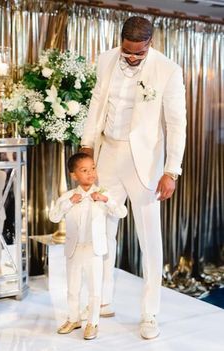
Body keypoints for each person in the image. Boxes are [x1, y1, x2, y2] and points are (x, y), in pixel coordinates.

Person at [80, 16, 186, 339]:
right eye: (127, 51)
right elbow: (97, 103)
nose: (131, 58)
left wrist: (171, 170)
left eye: (138, 54)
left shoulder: (168, 70)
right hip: (108, 152)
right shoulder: (105, 59)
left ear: (150, 44)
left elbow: (176, 123)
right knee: (102, 229)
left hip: (145, 163)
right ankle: (103, 300)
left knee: (149, 240)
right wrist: (86, 148)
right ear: (121, 41)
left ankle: (149, 313)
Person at [49, 153, 127, 340]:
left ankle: (92, 323)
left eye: (92, 168)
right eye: (84, 170)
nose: (90, 173)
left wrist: (106, 200)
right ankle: (74, 318)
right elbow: (54, 217)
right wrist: (69, 202)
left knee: (94, 288)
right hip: (74, 249)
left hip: (94, 249)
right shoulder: (68, 196)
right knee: (73, 288)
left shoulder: (103, 193)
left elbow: (121, 212)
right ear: (74, 175)